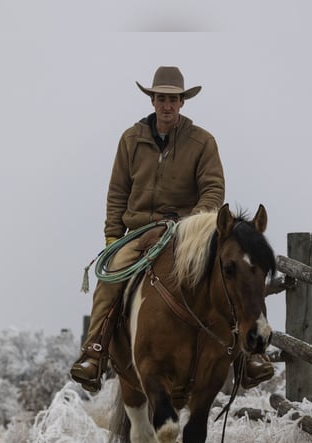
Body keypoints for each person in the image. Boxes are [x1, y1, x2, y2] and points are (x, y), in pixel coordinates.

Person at [70, 66, 273, 393]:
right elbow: (117, 191)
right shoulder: (130, 140)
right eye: (161, 98)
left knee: (228, 278)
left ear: (182, 102)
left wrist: (188, 224)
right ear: (152, 100)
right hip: (137, 231)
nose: (167, 105)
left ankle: (250, 357)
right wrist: (112, 236)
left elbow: (212, 189)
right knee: (110, 280)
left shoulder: (202, 142)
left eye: (174, 99)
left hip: (186, 232)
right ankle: (94, 351)